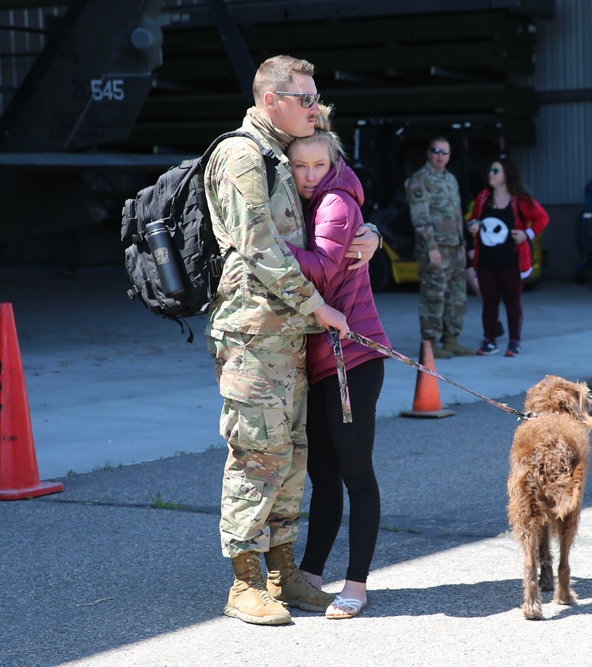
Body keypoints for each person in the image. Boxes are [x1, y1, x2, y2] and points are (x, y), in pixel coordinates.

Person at [203, 54, 378, 626]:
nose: (315, 105)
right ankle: (245, 581)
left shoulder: (283, 156)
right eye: (305, 97)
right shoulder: (241, 155)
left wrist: (370, 231)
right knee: (255, 455)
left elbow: (331, 209)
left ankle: (283, 573)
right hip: (255, 335)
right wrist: (315, 305)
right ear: (271, 100)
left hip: (292, 340)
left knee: (291, 458)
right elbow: (257, 245)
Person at [284, 107, 389, 620]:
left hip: (355, 359)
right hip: (324, 362)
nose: (308, 175)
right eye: (299, 166)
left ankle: (358, 583)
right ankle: (311, 574)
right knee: (323, 476)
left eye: (317, 164)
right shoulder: (315, 202)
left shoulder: (337, 202)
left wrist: (264, 249)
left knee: (354, 474)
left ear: (335, 160)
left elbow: (324, 270)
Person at [467, 157, 549, 356]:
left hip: (511, 261)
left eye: (496, 171)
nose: (490, 174)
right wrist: (472, 226)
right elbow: (473, 220)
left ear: (507, 175)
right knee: (489, 301)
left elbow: (542, 218)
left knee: (512, 301)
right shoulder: (483, 197)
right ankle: (489, 341)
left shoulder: (520, 200)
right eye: (490, 170)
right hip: (486, 260)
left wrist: (526, 234)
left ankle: (514, 342)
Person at [406, 136, 474, 358]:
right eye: (436, 151)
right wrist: (431, 248)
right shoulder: (419, 180)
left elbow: (456, 216)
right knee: (433, 295)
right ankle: (430, 342)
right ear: (428, 153)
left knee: (457, 296)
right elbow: (420, 217)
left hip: (454, 247)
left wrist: (463, 245)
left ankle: (451, 339)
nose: (440, 155)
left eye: (445, 152)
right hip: (435, 249)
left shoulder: (451, 180)